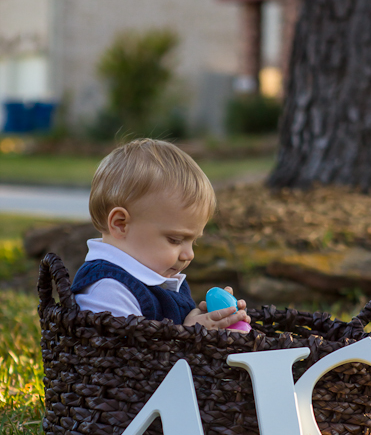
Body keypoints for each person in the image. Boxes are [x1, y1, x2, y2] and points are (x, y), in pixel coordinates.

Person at [71, 138, 251, 329]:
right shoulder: (108, 290)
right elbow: (127, 354)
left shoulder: (160, 279)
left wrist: (210, 323)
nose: (189, 254)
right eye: (175, 240)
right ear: (120, 224)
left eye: (193, 242)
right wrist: (190, 335)